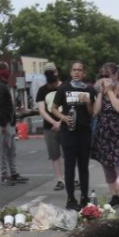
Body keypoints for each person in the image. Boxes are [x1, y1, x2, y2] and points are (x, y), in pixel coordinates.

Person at [51, 61, 97, 210]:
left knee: (83, 166)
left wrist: (87, 102)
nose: (77, 72)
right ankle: (71, 198)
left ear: (84, 73)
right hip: (68, 133)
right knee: (69, 166)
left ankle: (84, 197)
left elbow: (92, 112)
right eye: (74, 70)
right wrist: (63, 118)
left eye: (80, 70)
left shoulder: (88, 89)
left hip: (84, 132)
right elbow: (53, 108)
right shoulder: (64, 88)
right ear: (71, 72)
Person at [91, 62, 119, 207]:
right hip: (104, 134)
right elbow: (95, 112)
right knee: (107, 166)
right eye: (102, 76)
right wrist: (100, 93)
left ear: (116, 75)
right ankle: (114, 195)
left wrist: (110, 91)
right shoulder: (102, 92)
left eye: (107, 75)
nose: (105, 78)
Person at [0, 62, 24, 186]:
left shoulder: (0, 84)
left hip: (7, 121)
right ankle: (5, 175)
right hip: (3, 123)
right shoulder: (0, 86)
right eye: (7, 69)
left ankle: (13, 173)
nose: (9, 72)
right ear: (2, 70)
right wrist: (4, 124)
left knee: (10, 149)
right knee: (5, 150)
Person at [36, 62, 65, 191]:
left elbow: (70, 107)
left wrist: (61, 122)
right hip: (49, 127)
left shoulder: (65, 87)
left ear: (57, 72)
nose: (50, 75)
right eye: (48, 73)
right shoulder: (42, 90)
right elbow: (42, 110)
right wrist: (54, 122)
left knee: (69, 153)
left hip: (65, 124)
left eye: (52, 72)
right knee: (54, 154)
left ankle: (72, 178)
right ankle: (59, 179)